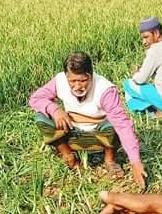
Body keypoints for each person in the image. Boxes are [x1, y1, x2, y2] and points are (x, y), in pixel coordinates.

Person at [29, 52, 147, 188]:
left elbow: (122, 125)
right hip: (71, 132)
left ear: (91, 75)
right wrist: (55, 110)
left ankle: (109, 160)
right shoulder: (59, 81)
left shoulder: (105, 90)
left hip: (100, 136)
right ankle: (69, 155)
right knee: (41, 118)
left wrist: (135, 161)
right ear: (66, 77)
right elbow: (35, 98)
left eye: (83, 81)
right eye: (72, 81)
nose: (78, 86)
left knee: (114, 125)